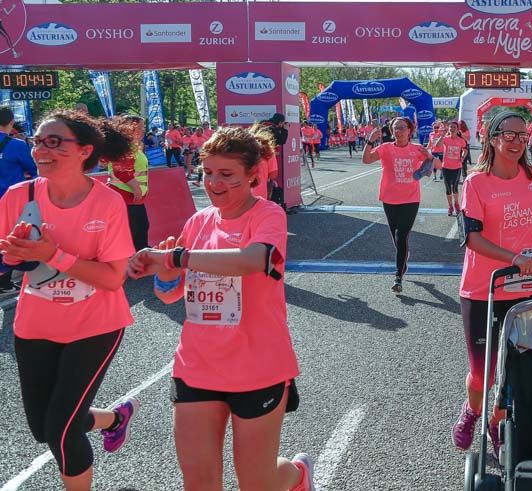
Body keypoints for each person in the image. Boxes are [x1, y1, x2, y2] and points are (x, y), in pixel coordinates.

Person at [126, 126, 314, 491]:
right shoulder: (197, 222)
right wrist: (165, 272)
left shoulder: (268, 216)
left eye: (227, 174)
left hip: (258, 366)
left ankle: (297, 475)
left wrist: (177, 257)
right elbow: (170, 295)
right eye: (208, 172)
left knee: (257, 484)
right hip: (198, 365)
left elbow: (254, 259)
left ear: (252, 176)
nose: (213, 183)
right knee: (198, 483)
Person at [0, 110, 139, 491]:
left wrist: (52, 254)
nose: (41, 150)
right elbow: (11, 259)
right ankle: (112, 419)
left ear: (85, 151)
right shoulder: (18, 196)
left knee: (61, 430)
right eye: (38, 142)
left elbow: (113, 278)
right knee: (42, 427)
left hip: (95, 326)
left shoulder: (107, 203)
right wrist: (14, 253)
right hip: (36, 326)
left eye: (54, 142)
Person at [451, 111, 532, 458]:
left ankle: (496, 421)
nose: (519, 142)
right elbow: (472, 238)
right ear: (492, 138)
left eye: (524, 135)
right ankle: (473, 410)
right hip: (482, 287)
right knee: (481, 374)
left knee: (514, 368)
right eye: (510, 135)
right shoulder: (475, 182)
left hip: (525, 286)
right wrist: (515, 259)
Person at [363, 117, 433, 293]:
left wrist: (430, 158)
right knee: (395, 236)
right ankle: (403, 260)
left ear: (409, 130)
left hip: (410, 199)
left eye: (402, 128)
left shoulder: (417, 149)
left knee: (402, 236)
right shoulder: (386, 148)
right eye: (395, 128)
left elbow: (432, 166)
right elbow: (366, 160)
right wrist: (370, 141)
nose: (398, 131)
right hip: (389, 198)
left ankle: (397, 277)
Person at [0, 105, 37, 294]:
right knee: (11, 239)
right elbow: (36, 171)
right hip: (11, 202)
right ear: (11, 122)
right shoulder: (16, 145)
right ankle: (4, 283)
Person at [105, 115, 150, 252]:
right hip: (126, 197)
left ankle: (139, 256)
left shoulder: (132, 146)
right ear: (131, 128)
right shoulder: (126, 147)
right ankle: (132, 260)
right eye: (141, 127)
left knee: (141, 227)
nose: (143, 131)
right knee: (134, 230)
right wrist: (136, 188)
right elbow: (122, 171)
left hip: (132, 198)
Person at [434, 121, 467, 216]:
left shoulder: (461, 140)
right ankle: (450, 206)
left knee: (455, 187)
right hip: (446, 167)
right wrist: (442, 135)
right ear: (448, 129)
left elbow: (465, 150)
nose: (452, 129)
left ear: (457, 129)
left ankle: (456, 204)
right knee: (448, 188)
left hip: (457, 167)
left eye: (454, 127)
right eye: (450, 127)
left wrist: (463, 157)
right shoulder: (445, 139)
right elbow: (437, 145)